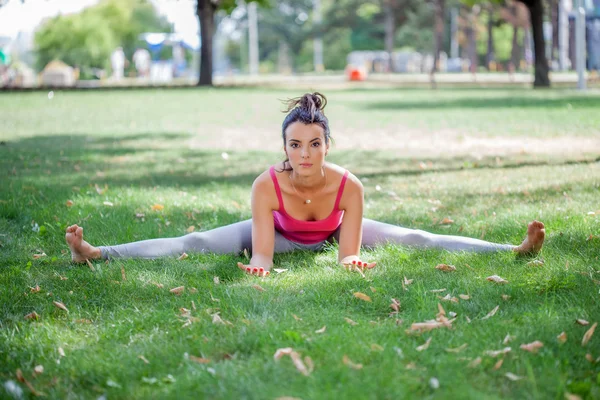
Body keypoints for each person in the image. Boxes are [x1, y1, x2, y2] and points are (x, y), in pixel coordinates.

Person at [65, 93, 545, 277]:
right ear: (285, 147)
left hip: (331, 230)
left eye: (314, 144)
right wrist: (260, 263)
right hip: (282, 233)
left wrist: (350, 257)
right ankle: (98, 253)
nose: (305, 155)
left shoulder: (349, 187)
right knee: (194, 242)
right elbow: (262, 254)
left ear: (328, 145)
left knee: (417, 237)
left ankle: (511, 250)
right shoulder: (266, 186)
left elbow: (347, 252)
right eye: (295, 145)